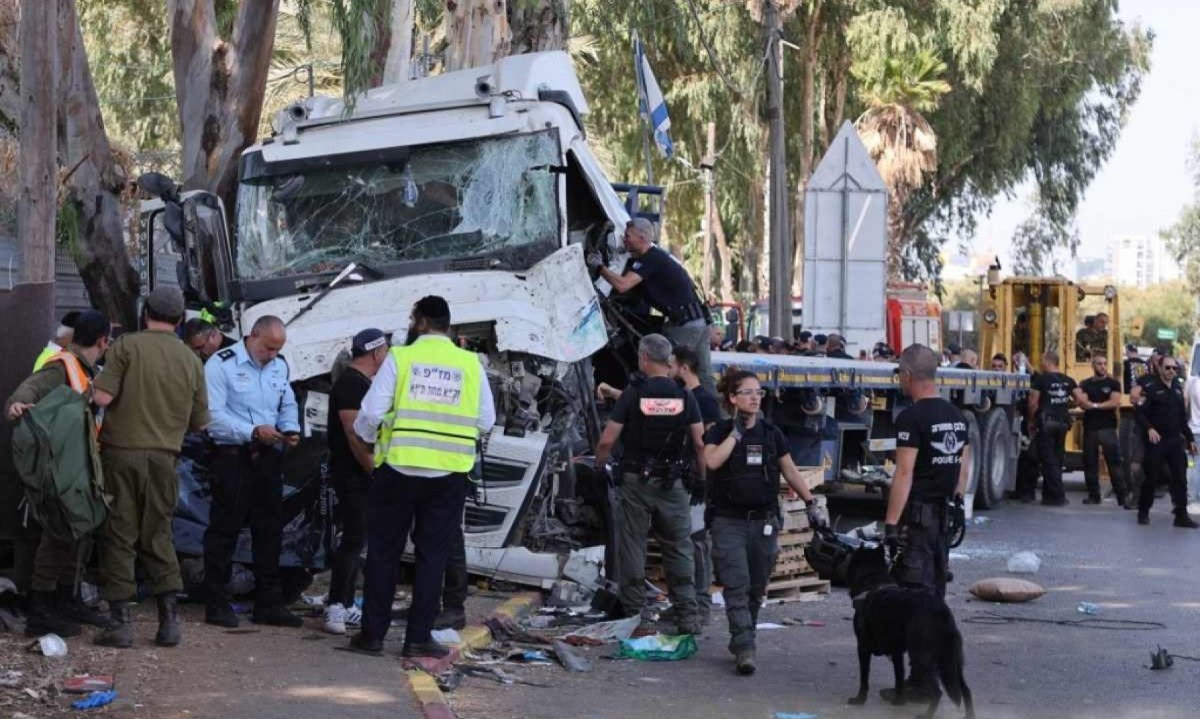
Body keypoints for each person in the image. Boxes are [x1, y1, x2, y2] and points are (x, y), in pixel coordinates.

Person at [349, 296, 495, 657]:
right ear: (447, 324)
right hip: (449, 475)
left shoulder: (401, 357)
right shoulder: (470, 363)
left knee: (384, 553)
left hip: (397, 469)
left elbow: (369, 413)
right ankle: (417, 638)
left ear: (421, 321)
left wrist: (370, 441)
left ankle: (372, 636)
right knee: (433, 556)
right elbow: (486, 420)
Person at [90, 287, 210, 648]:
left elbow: (102, 397)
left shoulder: (126, 346)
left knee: (120, 534)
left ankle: (121, 624)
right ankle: (169, 622)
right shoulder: (191, 360)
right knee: (159, 535)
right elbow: (201, 423)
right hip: (164, 458)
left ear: (146, 314)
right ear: (180, 321)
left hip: (121, 455)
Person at [703, 370, 822, 675]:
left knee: (756, 587)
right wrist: (736, 435)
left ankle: (746, 635)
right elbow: (712, 462)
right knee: (736, 585)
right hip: (729, 522)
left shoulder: (771, 433)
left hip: (764, 521)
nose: (755, 397)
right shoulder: (718, 431)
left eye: (759, 392)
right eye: (747, 392)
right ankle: (744, 646)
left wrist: (810, 503)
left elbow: (791, 472)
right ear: (732, 398)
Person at [5, 310, 112, 637]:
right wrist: (18, 404)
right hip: (63, 468)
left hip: (80, 466)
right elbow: (28, 390)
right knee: (59, 535)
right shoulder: (63, 366)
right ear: (103, 341)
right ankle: (42, 609)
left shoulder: (86, 369)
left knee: (79, 535)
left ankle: (67, 598)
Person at [594, 334, 704, 635]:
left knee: (633, 548)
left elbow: (606, 440)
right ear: (668, 360)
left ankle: (635, 617)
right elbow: (699, 442)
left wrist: (601, 466)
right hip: (675, 484)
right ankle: (688, 617)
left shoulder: (633, 393)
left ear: (643, 358)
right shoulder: (684, 395)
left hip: (636, 483)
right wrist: (702, 480)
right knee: (679, 549)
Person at [202, 315, 304, 629]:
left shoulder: (279, 365)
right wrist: (252, 431)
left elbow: (286, 401)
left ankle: (268, 603)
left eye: (277, 349)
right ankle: (217, 602)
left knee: (270, 530)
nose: (272, 355)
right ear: (253, 335)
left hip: (269, 456)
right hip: (233, 455)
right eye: (268, 347)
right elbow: (211, 417)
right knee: (225, 529)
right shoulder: (221, 364)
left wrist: (291, 428)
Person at [884, 344, 971, 600]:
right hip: (945, 516)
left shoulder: (911, 419)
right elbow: (963, 467)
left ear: (908, 374)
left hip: (918, 519)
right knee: (937, 583)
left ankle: (916, 639)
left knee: (913, 590)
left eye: (900, 373)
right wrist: (958, 502)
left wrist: (890, 524)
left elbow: (903, 474)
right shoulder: (957, 416)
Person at [587, 219, 714, 391]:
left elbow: (623, 285)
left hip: (685, 324)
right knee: (702, 374)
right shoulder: (654, 258)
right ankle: (711, 414)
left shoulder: (651, 259)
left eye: (628, 236)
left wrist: (599, 266)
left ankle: (662, 409)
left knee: (664, 368)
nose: (624, 239)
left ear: (643, 237)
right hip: (699, 321)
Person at [322, 328, 390, 635]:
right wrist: (372, 469)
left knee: (358, 538)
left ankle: (347, 603)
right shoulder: (351, 384)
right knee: (352, 538)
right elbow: (353, 433)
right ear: (376, 352)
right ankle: (336, 604)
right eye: (385, 351)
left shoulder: (363, 383)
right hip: (352, 474)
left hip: (359, 473)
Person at [671, 346, 721, 626]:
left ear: (684, 368)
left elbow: (705, 444)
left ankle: (700, 603)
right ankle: (687, 601)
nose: (668, 370)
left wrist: (704, 481)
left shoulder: (704, 401)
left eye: (671, 365)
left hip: (698, 483)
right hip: (686, 480)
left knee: (697, 543)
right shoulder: (684, 397)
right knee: (684, 542)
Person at [1135, 356, 1199, 527]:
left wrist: (1190, 439)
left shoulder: (1178, 390)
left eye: (1174, 368)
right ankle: (1143, 511)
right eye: (1168, 368)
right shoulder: (1151, 389)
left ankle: (1181, 515)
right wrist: (1149, 428)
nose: (1171, 371)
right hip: (1157, 441)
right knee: (1152, 477)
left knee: (1180, 478)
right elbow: (1140, 413)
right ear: (1160, 368)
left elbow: (1182, 418)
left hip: (1174, 440)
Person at [1073, 354, 1126, 507]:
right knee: (1090, 463)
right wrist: (1094, 403)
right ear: (1093, 366)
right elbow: (1082, 402)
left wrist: (1095, 406)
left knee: (1114, 463)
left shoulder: (1113, 383)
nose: (1102, 366)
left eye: (1104, 363)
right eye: (1099, 364)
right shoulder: (1086, 383)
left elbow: (1114, 402)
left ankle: (1121, 496)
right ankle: (1093, 495)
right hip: (1090, 428)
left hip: (1107, 428)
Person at [1028, 351, 1076, 506]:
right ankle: (1048, 496)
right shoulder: (1068, 380)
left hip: (1046, 424)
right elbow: (1080, 399)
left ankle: (1058, 496)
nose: (1041, 365)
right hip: (1062, 424)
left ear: (1048, 362)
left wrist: (1031, 421)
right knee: (1057, 459)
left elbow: (1033, 403)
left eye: (1042, 361)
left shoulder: (1041, 380)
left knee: (1049, 462)